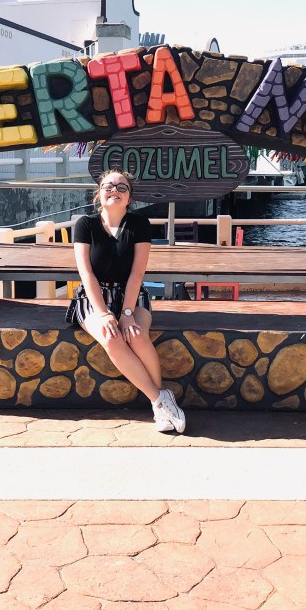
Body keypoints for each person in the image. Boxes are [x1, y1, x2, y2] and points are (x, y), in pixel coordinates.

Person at [72, 169, 186, 434]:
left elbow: (137, 273)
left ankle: (160, 405)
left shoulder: (139, 224)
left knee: (135, 333)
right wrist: (102, 313)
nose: (114, 191)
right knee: (111, 337)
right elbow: (86, 273)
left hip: (131, 294)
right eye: (109, 186)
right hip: (94, 296)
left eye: (122, 188)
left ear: (129, 197)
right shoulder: (85, 225)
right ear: (99, 193)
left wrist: (126, 312)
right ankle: (160, 399)